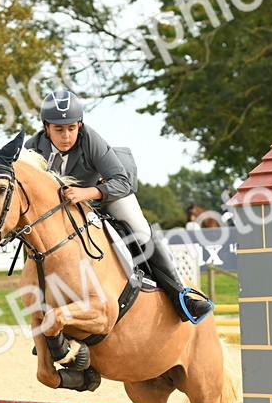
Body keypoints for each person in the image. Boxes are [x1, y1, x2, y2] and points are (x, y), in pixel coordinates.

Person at [24, 88, 213, 323]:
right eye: (59, 129)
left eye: (72, 128)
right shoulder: (32, 148)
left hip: (106, 193)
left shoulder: (90, 139)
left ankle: (181, 296)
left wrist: (88, 192)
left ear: (79, 126)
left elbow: (122, 182)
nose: (66, 136)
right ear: (46, 128)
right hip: (65, 208)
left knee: (139, 227)